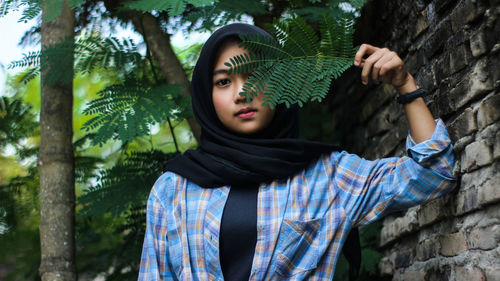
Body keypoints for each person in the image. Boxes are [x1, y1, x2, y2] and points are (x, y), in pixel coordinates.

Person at [138, 23, 455, 281]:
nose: (242, 93)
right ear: (206, 97)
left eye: (256, 76)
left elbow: (432, 174)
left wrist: (405, 85)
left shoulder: (327, 175)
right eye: (223, 81)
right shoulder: (173, 190)